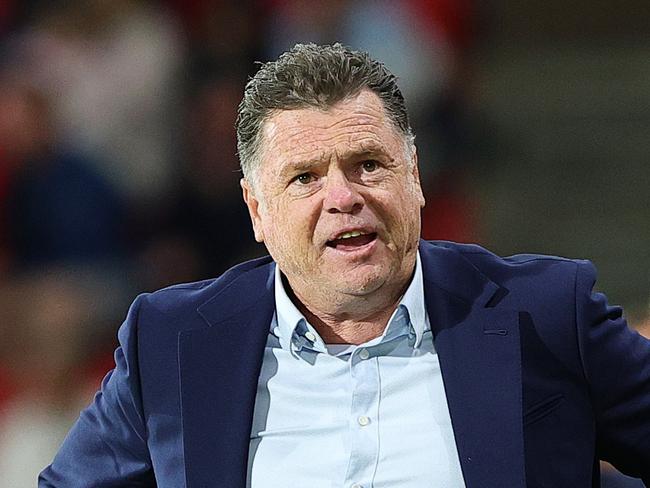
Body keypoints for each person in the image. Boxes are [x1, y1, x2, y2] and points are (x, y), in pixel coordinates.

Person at [40, 43, 650, 487]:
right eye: (305, 177)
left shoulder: (545, 313)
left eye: (368, 165)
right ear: (258, 210)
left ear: (414, 178)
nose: (344, 197)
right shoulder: (171, 342)